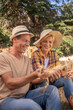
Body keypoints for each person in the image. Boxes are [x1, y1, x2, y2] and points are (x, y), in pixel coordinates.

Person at [0, 25, 62, 110]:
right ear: (14, 40)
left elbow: (32, 81)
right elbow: (10, 83)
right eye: (25, 41)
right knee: (30, 105)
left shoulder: (26, 59)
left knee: (52, 90)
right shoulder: (3, 57)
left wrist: (42, 77)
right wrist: (34, 75)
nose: (28, 44)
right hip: (8, 100)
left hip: (26, 95)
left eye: (28, 41)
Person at [32, 29, 73, 109]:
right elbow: (40, 73)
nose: (47, 44)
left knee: (67, 79)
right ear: (40, 43)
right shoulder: (35, 54)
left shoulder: (54, 53)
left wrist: (66, 72)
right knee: (45, 83)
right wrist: (56, 72)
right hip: (41, 81)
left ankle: (72, 102)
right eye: (45, 41)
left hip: (52, 80)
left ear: (52, 43)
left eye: (50, 42)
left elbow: (59, 69)